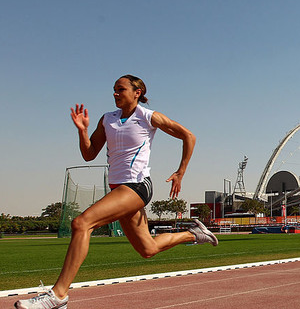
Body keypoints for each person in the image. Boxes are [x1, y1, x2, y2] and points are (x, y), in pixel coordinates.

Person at [15, 75, 217, 309]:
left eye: (120, 89)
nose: (115, 93)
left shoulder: (149, 117)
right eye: (113, 90)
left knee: (82, 223)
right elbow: (89, 154)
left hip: (137, 186)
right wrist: (82, 131)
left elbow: (188, 136)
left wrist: (180, 172)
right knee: (147, 249)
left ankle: (58, 295)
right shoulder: (107, 119)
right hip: (118, 188)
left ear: (137, 92)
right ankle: (193, 234)